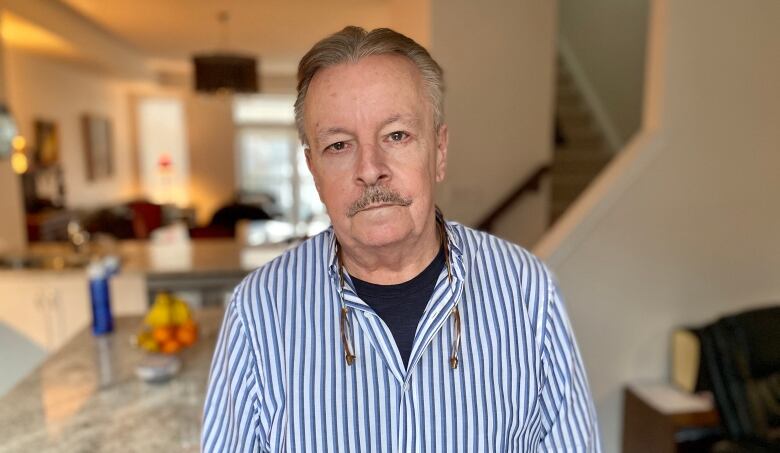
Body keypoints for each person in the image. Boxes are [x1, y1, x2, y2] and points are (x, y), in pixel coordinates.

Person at [202, 26, 601, 452]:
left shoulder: (527, 290)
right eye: (338, 145)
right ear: (314, 171)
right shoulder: (258, 311)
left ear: (439, 151)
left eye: (396, 135)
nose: (370, 168)